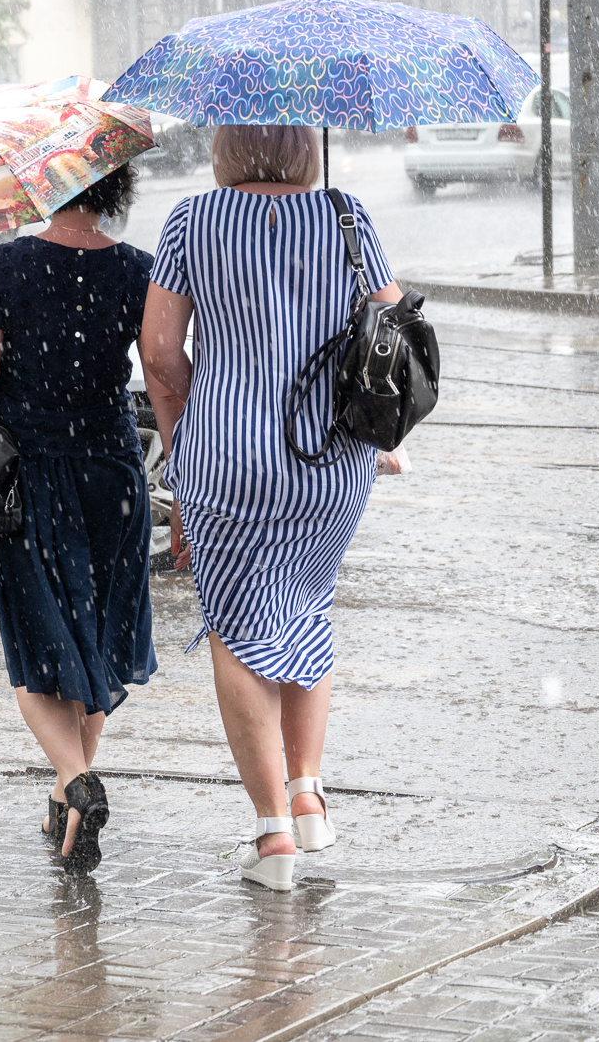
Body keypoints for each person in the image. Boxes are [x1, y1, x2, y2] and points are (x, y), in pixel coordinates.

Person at [139, 125, 402, 892]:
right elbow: (394, 327)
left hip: (227, 457)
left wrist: (186, 435)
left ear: (227, 142)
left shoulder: (193, 220)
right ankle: (308, 791)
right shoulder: (348, 217)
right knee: (306, 604)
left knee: (237, 628)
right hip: (332, 461)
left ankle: (272, 835)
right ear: (303, 144)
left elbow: (159, 352)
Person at [0, 161, 156, 875]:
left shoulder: (5, 266)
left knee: (39, 654)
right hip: (113, 475)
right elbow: (161, 364)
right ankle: (67, 798)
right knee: (92, 649)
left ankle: (78, 783)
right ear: (115, 190)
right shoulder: (137, 268)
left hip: (28, 479)